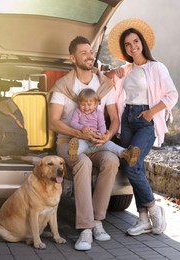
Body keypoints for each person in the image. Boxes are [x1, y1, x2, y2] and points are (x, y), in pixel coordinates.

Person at [106, 18, 179, 236]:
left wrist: (150, 113)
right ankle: (144, 219)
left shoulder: (156, 67)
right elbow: (106, 81)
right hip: (127, 119)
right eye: (127, 44)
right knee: (137, 168)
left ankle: (155, 210)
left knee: (131, 166)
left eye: (135, 41)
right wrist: (112, 74)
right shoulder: (126, 69)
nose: (132, 47)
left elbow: (172, 95)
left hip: (145, 120)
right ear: (125, 49)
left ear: (142, 42)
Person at [48, 36, 119, 251]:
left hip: (97, 142)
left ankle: (97, 220)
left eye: (91, 51)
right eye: (84, 53)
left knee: (111, 160)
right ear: (72, 58)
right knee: (84, 164)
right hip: (69, 143)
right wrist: (79, 133)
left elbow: (114, 119)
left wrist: (108, 135)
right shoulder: (63, 86)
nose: (90, 56)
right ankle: (86, 228)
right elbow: (54, 122)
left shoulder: (105, 85)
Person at [67, 87, 140, 167]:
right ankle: (73, 153)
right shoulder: (78, 112)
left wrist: (102, 135)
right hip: (84, 140)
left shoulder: (99, 113)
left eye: (89, 104)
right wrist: (82, 127)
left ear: (95, 104)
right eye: (83, 104)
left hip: (97, 142)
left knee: (110, 144)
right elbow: (73, 123)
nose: (86, 107)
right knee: (79, 144)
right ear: (79, 104)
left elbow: (102, 125)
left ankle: (126, 153)